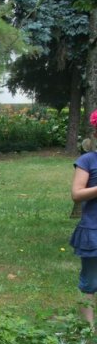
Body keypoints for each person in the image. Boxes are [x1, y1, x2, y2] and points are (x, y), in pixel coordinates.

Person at [70, 109, 97, 327]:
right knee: (90, 282)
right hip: (93, 230)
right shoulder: (87, 160)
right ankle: (88, 332)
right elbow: (77, 194)